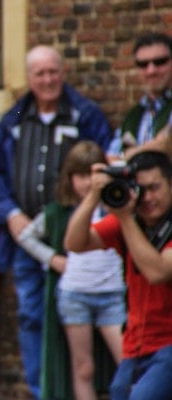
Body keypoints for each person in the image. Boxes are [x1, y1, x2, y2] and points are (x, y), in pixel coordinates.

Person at [0, 45, 112, 398]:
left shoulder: (84, 115)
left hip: (77, 234)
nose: (47, 79)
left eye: (52, 71)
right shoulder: (13, 119)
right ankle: (44, 392)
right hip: (26, 237)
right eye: (39, 73)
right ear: (29, 78)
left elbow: (104, 163)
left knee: (77, 316)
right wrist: (10, 213)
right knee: (30, 315)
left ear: (63, 72)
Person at [16, 141, 124, 400]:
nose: (87, 182)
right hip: (75, 296)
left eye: (92, 174)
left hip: (113, 295)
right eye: (81, 175)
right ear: (69, 178)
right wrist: (53, 259)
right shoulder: (59, 212)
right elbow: (26, 236)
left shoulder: (115, 206)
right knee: (83, 367)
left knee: (127, 362)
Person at [64, 150, 172, 400]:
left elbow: (157, 272)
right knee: (119, 394)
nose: (147, 198)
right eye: (140, 189)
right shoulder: (131, 220)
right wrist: (93, 195)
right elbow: (74, 242)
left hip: (168, 345)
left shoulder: (129, 221)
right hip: (136, 345)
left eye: (154, 188)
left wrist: (124, 218)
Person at [107, 32, 172, 162]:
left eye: (160, 62)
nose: (151, 71)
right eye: (143, 64)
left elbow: (167, 147)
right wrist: (151, 148)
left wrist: (130, 154)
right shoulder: (134, 114)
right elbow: (111, 157)